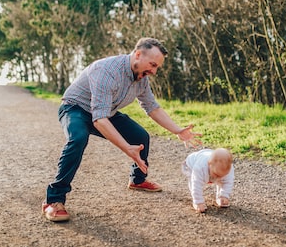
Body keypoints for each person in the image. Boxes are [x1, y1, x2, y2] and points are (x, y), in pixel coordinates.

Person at [42, 37, 202, 222]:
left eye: (157, 67)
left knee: (140, 136)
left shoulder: (141, 77)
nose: (154, 71)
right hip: (75, 108)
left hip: (105, 111)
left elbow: (152, 107)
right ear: (138, 54)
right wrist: (127, 148)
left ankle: (138, 180)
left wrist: (178, 131)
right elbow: (99, 120)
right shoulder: (106, 71)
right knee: (78, 138)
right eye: (152, 64)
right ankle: (53, 200)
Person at [182, 148, 234, 213]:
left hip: (207, 157)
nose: (218, 178)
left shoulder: (227, 169)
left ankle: (220, 197)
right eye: (216, 174)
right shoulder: (200, 168)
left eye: (222, 175)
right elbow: (196, 185)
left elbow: (228, 183)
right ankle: (196, 202)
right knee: (194, 181)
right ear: (209, 164)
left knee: (222, 180)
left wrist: (224, 195)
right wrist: (199, 202)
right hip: (190, 166)